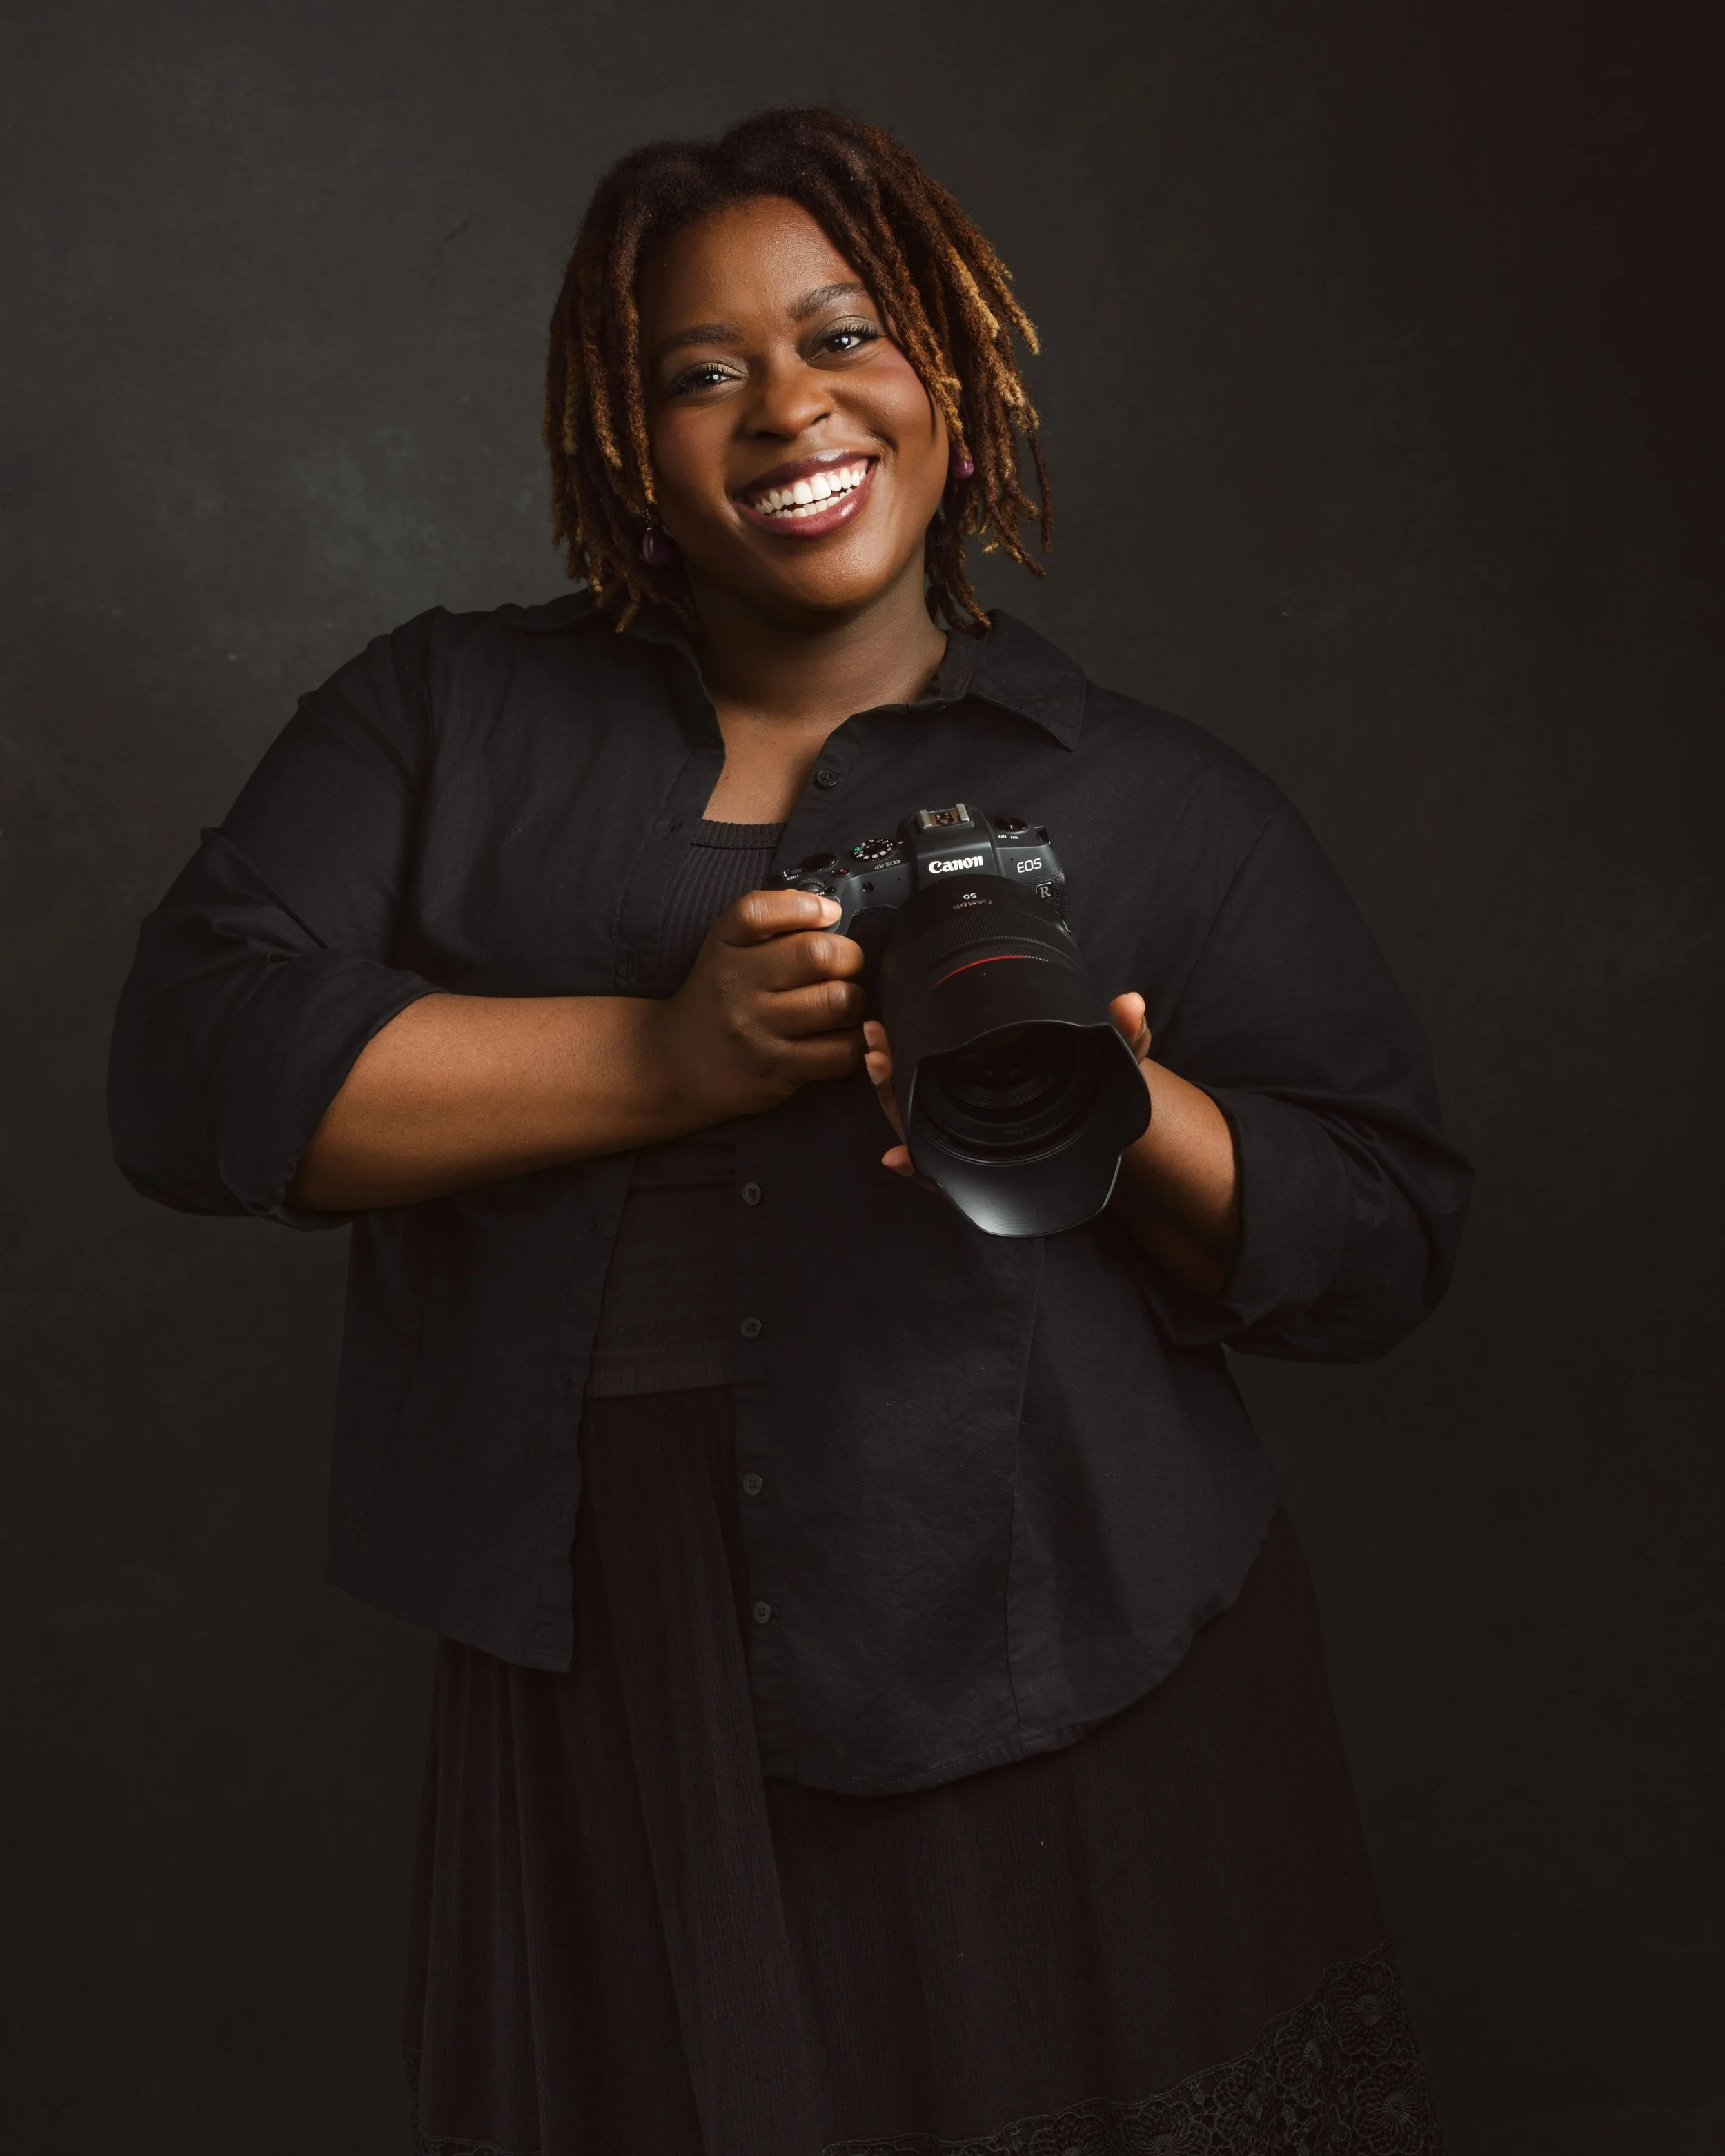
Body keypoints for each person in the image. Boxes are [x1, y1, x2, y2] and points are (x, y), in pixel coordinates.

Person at [108, 106, 1471, 2156]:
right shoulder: (443, 717)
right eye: (701, 370)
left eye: (844, 334)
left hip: (1047, 1620)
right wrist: (665, 1063)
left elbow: (1383, 1238)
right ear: (623, 441)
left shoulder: (1163, 801)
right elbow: (186, 1070)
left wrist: (1135, 1109)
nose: (787, 408)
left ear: (950, 369)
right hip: (602, 1643)